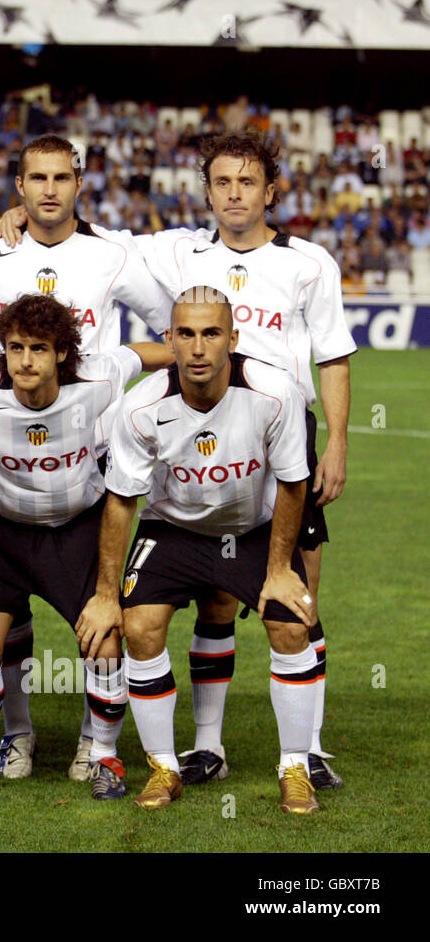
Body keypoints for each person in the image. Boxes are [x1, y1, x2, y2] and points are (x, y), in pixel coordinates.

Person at [123, 131, 353, 790]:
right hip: (201, 432)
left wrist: (336, 440)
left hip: (283, 439)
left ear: (270, 192)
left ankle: (308, 750)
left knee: (298, 596)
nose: (233, 194)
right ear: (207, 190)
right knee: (215, 601)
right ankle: (207, 747)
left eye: (246, 182)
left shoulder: (310, 262)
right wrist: (20, 220)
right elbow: (95, 243)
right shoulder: (177, 250)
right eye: (222, 182)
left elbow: (333, 356)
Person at [0, 134, 173, 782]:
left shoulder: (114, 253)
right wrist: (2, 352)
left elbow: (164, 326)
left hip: (89, 464)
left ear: (79, 184)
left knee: (103, 628)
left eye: (61, 177)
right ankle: (13, 740)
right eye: (36, 178)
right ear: (19, 187)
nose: (49, 189)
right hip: (10, 462)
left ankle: (94, 745)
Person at [0, 294, 173, 799]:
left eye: (38, 348)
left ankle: (102, 756)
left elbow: (144, 354)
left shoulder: (98, 377)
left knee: (104, 644)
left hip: (79, 530)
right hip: (5, 533)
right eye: (14, 348)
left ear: (61, 354)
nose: (25, 360)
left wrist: (202, 359)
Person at [76, 287, 322, 815]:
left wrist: (279, 569)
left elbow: (293, 484)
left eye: (211, 333)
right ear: (169, 339)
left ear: (233, 338)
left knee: (290, 622)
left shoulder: (275, 392)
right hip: (173, 530)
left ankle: (295, 767)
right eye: (185, 334)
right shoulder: (141, 407)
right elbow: (122, 503)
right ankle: (164, 766)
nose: (198, 348)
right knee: (138, 628)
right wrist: (104, 594)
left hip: (251, 528)